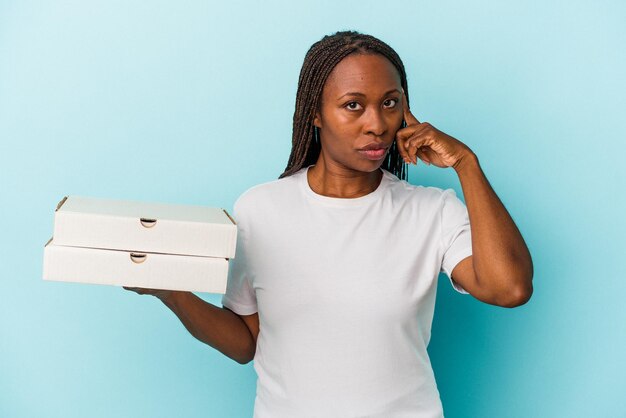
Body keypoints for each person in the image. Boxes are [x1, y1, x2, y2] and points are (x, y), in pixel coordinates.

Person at [126, 30, 533, 417]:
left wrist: (466, 163)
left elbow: (509, 288)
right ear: (315, 114)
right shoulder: (259, 209)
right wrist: (171, 292)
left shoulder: (431, 211)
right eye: (353, 105)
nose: (376, 123)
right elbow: (246, 341)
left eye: (390, 103)